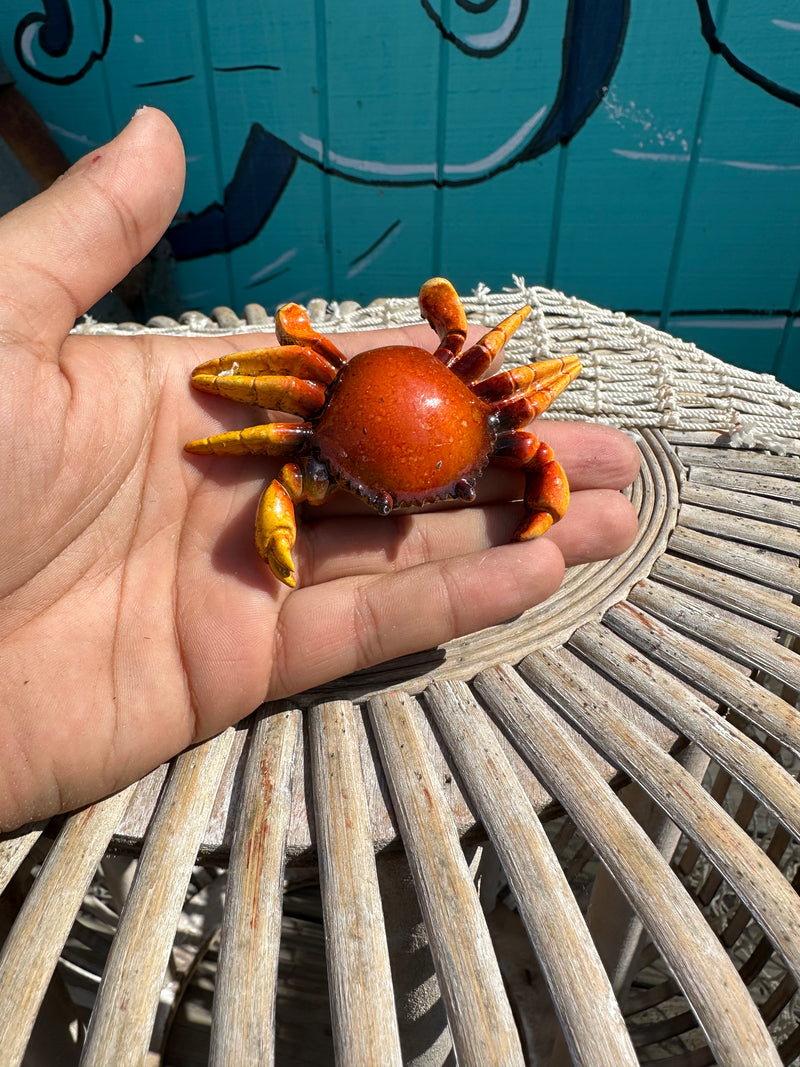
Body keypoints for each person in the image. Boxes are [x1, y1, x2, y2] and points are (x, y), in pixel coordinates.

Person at [0, 107, 640, 832]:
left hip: (423, 417)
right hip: (343, 423)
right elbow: (259, 435)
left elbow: (541, 459)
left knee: (552, 456)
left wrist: (529, 505)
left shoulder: (489, 401)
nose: (399, 513)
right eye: (377, 496)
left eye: (454, 491)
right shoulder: (308, 398)